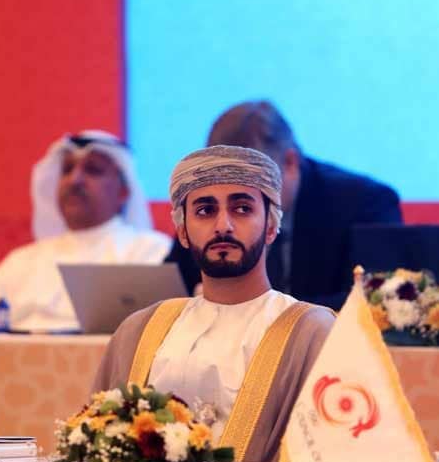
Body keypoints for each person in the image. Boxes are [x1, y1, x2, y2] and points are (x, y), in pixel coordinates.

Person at [92, 145, 335, 462]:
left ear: (271, 227)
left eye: (242, 209)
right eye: (205, 211)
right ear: (182, 231)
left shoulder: (311, 332)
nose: (223, 225)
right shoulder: (140, 330)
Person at [167, 101, 403, 309]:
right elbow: (171, 287)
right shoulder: (208, 207)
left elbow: (375, 301)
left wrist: (257, 312)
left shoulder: (364, 203)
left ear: (289, 163)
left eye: (250, 180)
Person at [0, 131, 171, 333]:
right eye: (67, 170)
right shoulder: (21, 261)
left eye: (93, 170)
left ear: (123, 192)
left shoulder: (152, 252)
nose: (75, 180)